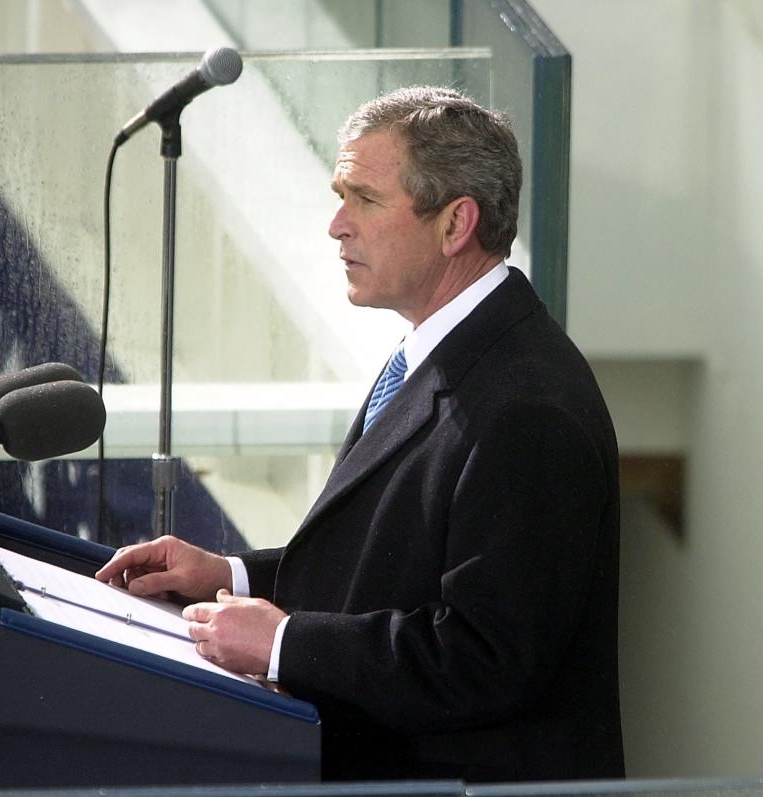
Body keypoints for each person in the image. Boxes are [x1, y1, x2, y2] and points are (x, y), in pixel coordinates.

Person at [96, 86, 625, 783]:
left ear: (455, 222)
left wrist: (284, 641)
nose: (336, 225)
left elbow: (483, 659)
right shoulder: (440, 351)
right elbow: (389, 564)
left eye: (365, 199)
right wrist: (228, 574)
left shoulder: (529, 407)